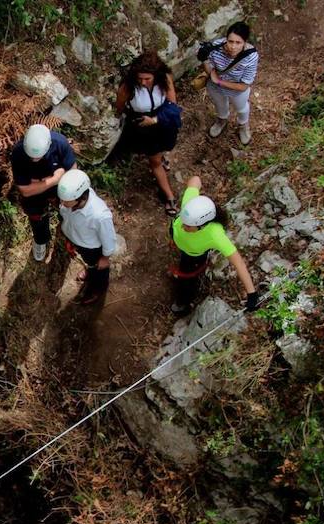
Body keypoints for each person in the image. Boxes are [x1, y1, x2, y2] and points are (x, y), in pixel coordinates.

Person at [170, 176, 259, 315]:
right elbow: (195, 180)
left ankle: (183, 303)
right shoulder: (190, 206)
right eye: (182, 220)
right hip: (183, 244)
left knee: (187, 280)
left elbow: (239, 263)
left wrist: (252, 294)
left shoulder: (215, 235)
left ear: (202, 225)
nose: (182, 226)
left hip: (193, 256)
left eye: (188, 225)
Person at [115, 52, 180, 216]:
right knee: (155, 161)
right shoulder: (129, 86)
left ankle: (160, 159)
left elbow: (173, 104)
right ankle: (169, 196)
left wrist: (156, 120)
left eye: (147, 79)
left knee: (161, 149)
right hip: (143, 126)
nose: (143, 82)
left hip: (161, 120)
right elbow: (120, 106)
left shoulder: (164, 79)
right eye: (140, 78)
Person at [10, 124, 77, 262]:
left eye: (39, 156)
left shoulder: (60, 144)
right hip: (38, 195)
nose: (35, 160)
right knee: (36, 218)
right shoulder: (18, 153)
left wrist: (37, 182)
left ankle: (69, 235)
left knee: (67, 212)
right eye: (31, 156)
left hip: (60, 189)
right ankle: (41, 240)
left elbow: (72, 173)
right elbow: (25, 191)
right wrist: (54, 179)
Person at [57, 169, 117, 305]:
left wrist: (105, 258)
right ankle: (89, 271)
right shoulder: (70, 200)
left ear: (81, 198)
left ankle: (97, 290)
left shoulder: (99, 215)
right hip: (78, 240)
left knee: (99, 269)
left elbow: (109, 238)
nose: (62, 202)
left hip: (92, 248)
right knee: (90, 264)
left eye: (66, 200)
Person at [204, 21, 259, 145]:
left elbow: (244, 85)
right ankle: (221, 120)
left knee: (241, 108)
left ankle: (243, 126)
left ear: (245, 42)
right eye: (230, 41)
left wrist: (219, 81)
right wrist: (209, 70)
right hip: (215, 87)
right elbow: (207, 62)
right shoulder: (215, 47)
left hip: (236, 89)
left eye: (238, 42)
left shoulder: (251, 56)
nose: (233, 47)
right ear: (226, 39)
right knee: (220, 105)